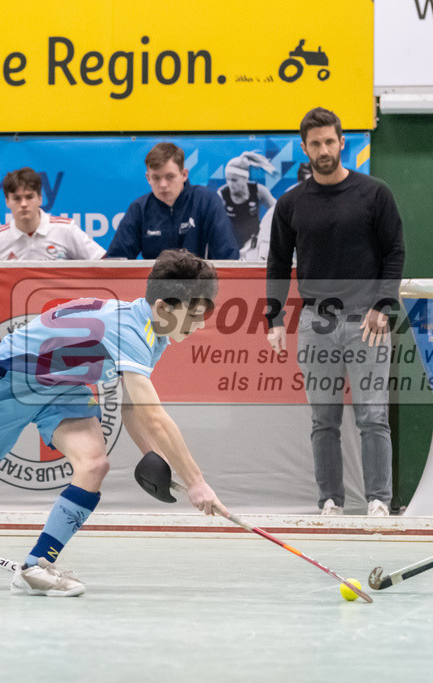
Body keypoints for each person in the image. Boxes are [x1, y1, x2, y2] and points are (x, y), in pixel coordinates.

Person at [0, 249, 228, 596]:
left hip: (63, 387)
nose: (200, 325)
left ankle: (36, 566)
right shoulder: (130, 329)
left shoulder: (155, 332)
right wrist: (197, 483)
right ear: (164, 307)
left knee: (93, 464)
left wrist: (154, 459)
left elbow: (134, 408)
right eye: (195, 315)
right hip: (12, 379)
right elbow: (154, 414)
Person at [265, 107, 406, 517]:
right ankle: (330, 501)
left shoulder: (375, 193)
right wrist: (274, 321)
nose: (324, 150)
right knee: (323, 419)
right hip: (315, 324)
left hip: (368, 322)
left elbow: (395, 251)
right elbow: (277, 265)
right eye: (315, 144)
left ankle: (379, 500)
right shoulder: (291, 204)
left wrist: (383, 305)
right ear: (305, 149)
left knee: (373, 415)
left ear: (343, 142)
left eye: (330, 141)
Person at [106, 143, 239, 261]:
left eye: (170, 176)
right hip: (155, 287)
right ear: (148, 178)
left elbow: (228, 258)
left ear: (184, 174)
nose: (163, 184)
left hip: (201, 285)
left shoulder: (207, 201)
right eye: (156, 178)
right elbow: (116, 262)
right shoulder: (139, 209)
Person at [0, 168, 105, 261]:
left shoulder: (66, 230)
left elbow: (104, 262)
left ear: (40, 198)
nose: (24, 204)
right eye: (17, 198)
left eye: (29, 197)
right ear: (7, 202)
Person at [218, 152, 276, 258]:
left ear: (245, 178)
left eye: (234, 180)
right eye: (227, 179)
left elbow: (278, 212)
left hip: (253, 246)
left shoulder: (259, 191)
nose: (230, 184)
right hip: (231, 246)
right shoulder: (222, 194)